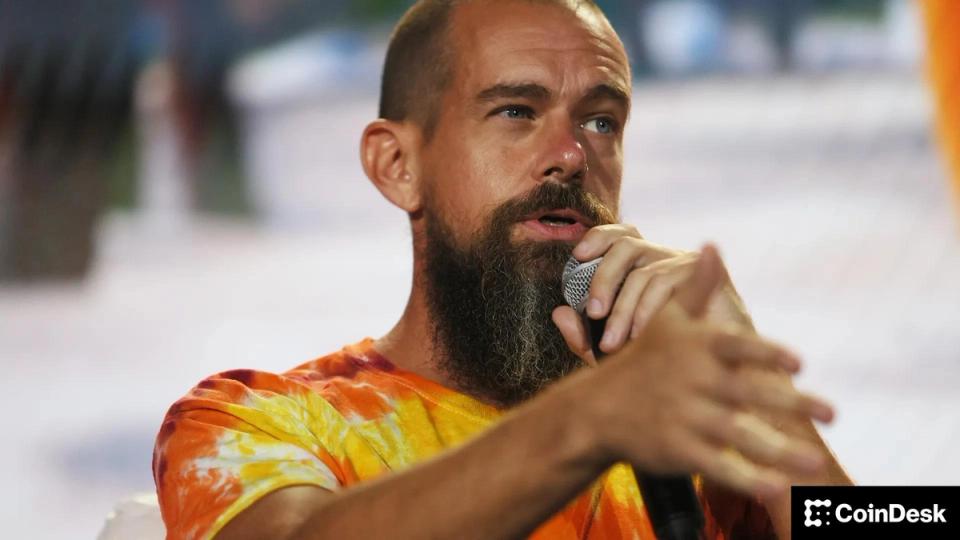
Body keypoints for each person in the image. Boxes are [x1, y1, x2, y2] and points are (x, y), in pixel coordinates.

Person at [153, 1, 851, 538]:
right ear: (397, 165)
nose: (571, 155)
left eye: (601, 121)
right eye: (517, 111)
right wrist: (591, 421)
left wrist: (777, 424)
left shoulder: (694, 439)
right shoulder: (258, 421)